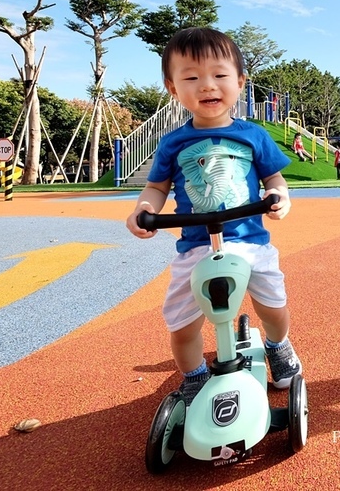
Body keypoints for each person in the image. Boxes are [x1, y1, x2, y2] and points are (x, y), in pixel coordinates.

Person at [125, 27, 301, 406]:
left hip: (250, 241)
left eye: (219, 75)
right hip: (194, 247)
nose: (207, 86)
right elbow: (156, 187)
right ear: (174, 88)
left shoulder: (253, 135)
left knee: (273, 305)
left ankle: (278, 344)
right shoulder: (172, 143)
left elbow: (274, 178)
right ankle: (192, 374)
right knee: (182, 322)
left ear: (239, 82)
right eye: (191, 77)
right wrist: (145, 209)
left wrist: (279, 196)